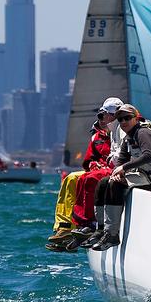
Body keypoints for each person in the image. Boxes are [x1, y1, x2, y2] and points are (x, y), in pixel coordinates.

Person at [86, 104, 151, 251]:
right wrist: (117, 173)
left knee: (114, 186)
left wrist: (123, 169)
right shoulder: (128, 138)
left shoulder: (143, 133)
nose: (123, 122)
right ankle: (100, 229)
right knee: (104, 183)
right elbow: (120, 162)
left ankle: (112, 235)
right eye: (120, 119)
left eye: (127, 118)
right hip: (145, 176)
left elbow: (149, 156)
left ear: (136, 118)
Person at [46, 97, 124, 252]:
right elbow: (89, 160)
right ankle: (65, 227)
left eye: (106, 115)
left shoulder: (123, 131)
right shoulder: (96, 136)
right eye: (100, 116)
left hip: (112, 170)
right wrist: (94, 165)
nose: (103, 119)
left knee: (86, 178)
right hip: (99, 170)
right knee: (71, 178)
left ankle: (86, 225)